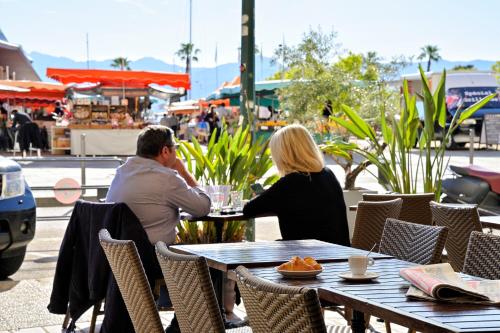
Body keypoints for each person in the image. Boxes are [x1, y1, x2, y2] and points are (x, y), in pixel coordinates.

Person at [106, 125, 211, 333]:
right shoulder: (167, 178)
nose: (176, 153)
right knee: (210, 266)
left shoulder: (122, 172)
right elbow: (202, 207)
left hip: (119, 259)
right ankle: (182, 328)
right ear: (165, 151)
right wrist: (183, 171)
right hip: (150, 259)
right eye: (175, 148)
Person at [243, 124, 350, 246]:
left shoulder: (289, 183)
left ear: (283, 154)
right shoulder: (328, 174)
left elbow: (249, 210)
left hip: (308, 260)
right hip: (340, 254)